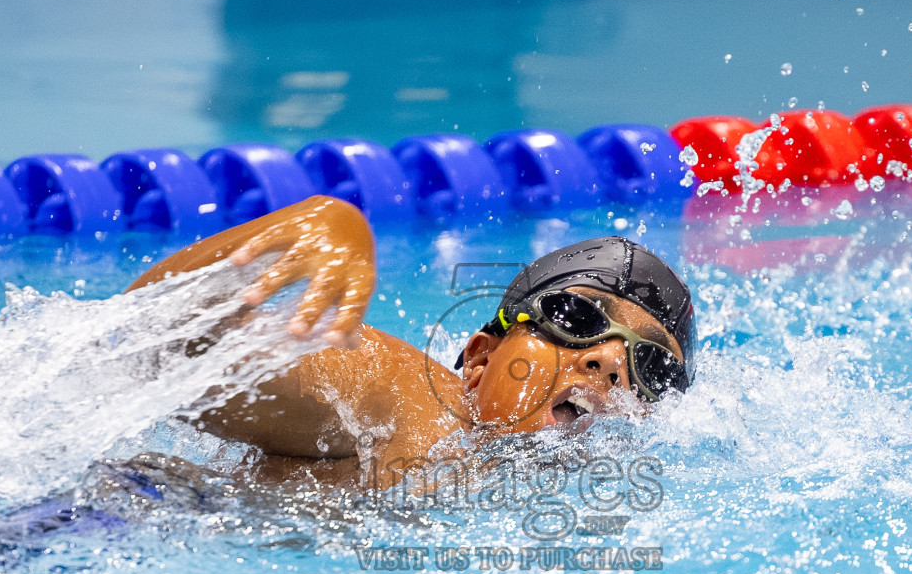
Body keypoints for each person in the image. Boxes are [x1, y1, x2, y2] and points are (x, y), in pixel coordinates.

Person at [128, 195, 695, 485]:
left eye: (653, 368)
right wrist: (327, 220)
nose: (608, 361)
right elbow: (154, 345)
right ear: (478, 358)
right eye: (576, 318)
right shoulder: (416, 402)